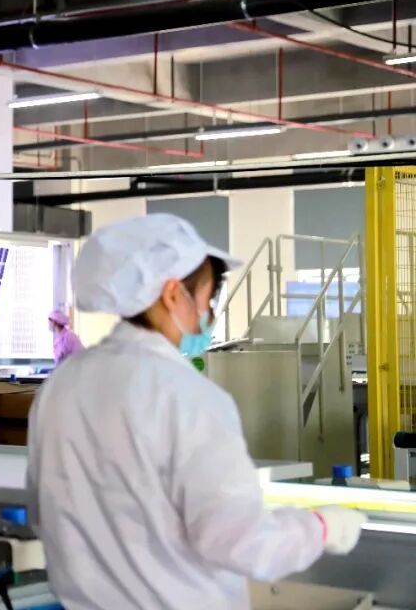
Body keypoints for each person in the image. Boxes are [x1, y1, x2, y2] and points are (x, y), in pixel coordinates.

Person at [26, 214, 365, 610]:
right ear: (172, 294)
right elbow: (241, 542)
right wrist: (323, 527)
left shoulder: (62, 386)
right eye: (208, 297)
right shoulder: (187, 395)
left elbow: (43, 513)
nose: (210, 313)